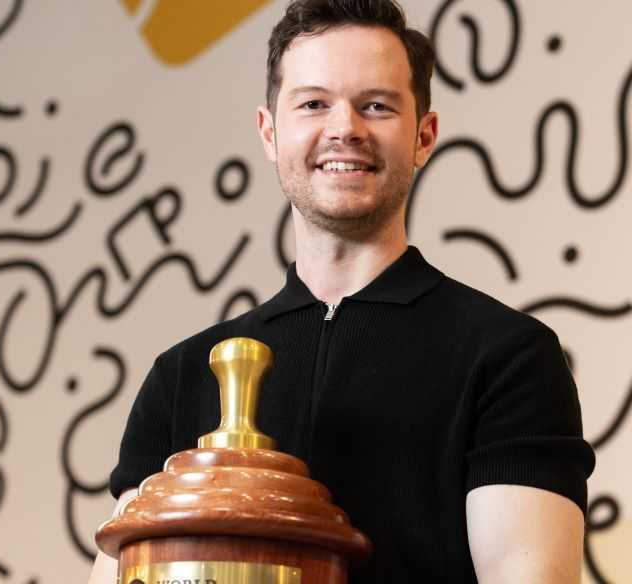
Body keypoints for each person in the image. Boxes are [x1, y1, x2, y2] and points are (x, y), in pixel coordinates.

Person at [89, 1, 595, 582]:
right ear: (270, 132)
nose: (345, 129)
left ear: (424, 136)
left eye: (376, 105)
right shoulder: (180, 378)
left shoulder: (508, 358)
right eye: (313, 104)